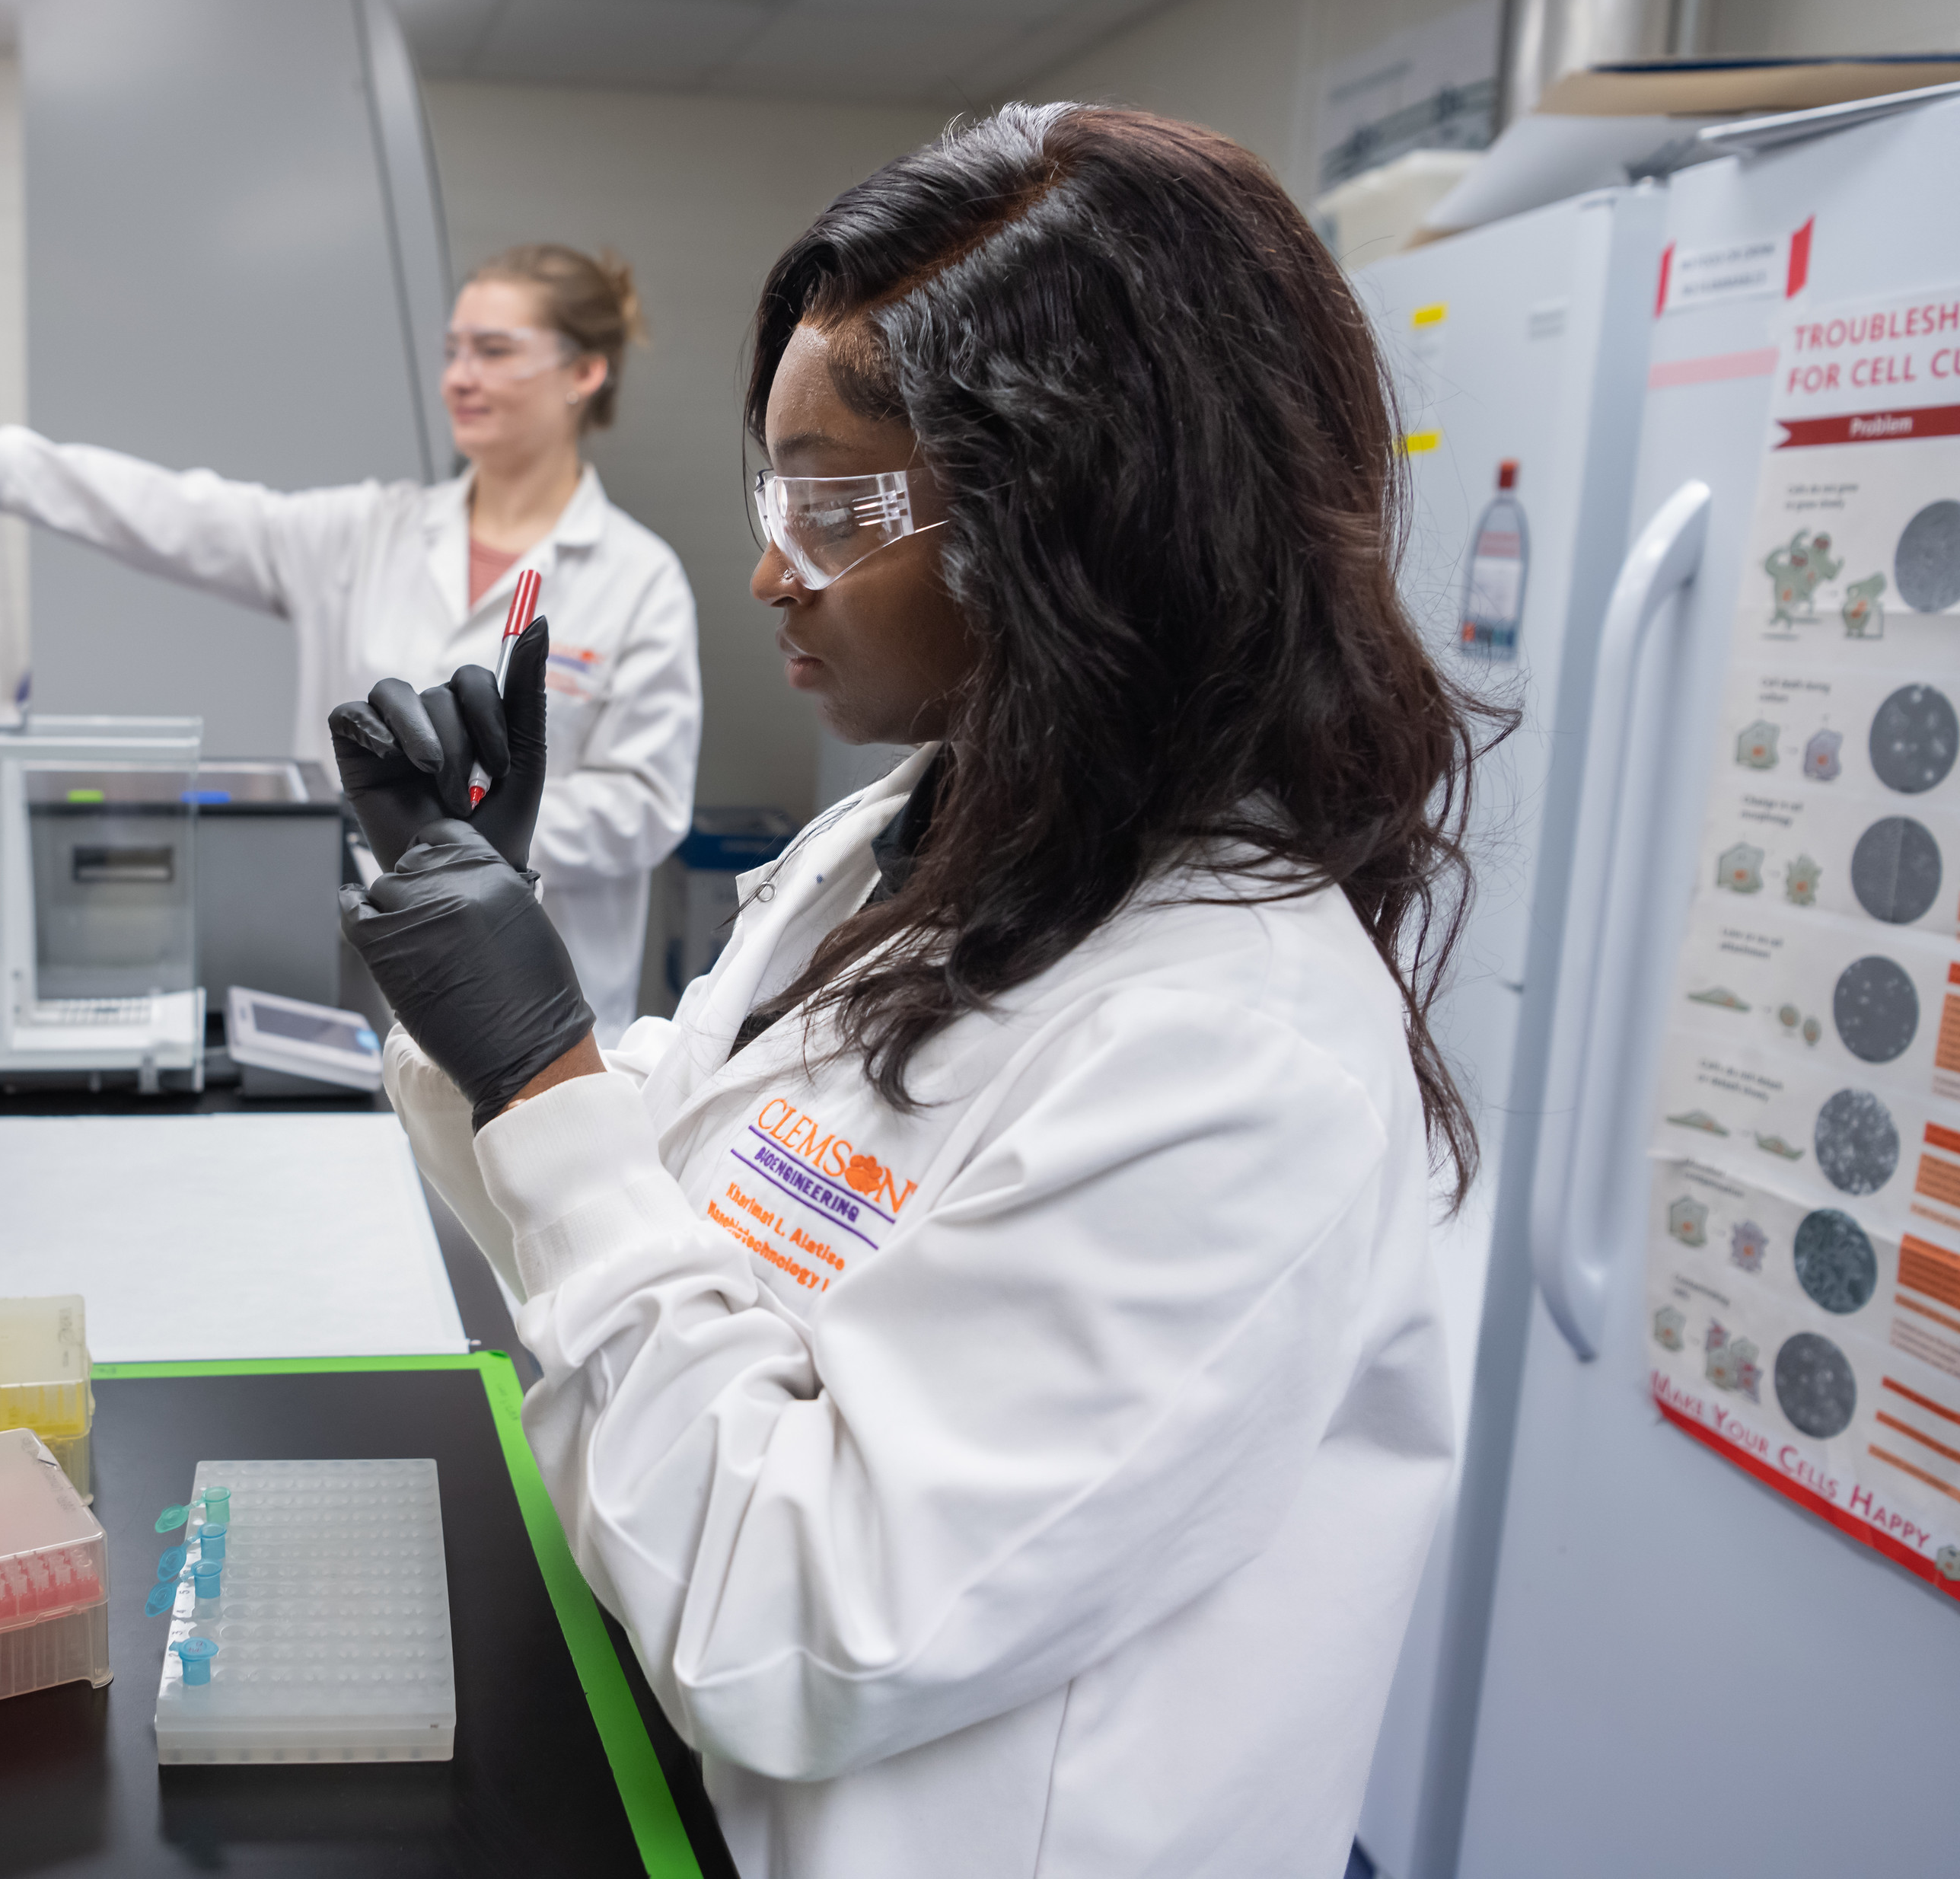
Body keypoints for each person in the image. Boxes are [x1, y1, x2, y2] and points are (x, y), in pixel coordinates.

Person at [330, 105, 1484, 1878]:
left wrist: (541, 1070)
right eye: (766, 487)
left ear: (1089, 515)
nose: (770, 565)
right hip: (672, 1769)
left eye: (833, 498)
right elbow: (659, 1189)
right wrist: (476, 981)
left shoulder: (1240, 1052)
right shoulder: (900, 840)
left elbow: (796, 1619)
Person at [0, 245, 700, 1040]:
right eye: (453, 350)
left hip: (543, 998)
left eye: (495, 350)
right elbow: (170, 510)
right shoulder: (365, 533)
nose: (461, 376)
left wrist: (469, 831)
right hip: (359, 987)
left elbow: (649, 805)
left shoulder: (638, 577)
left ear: (585, 371)